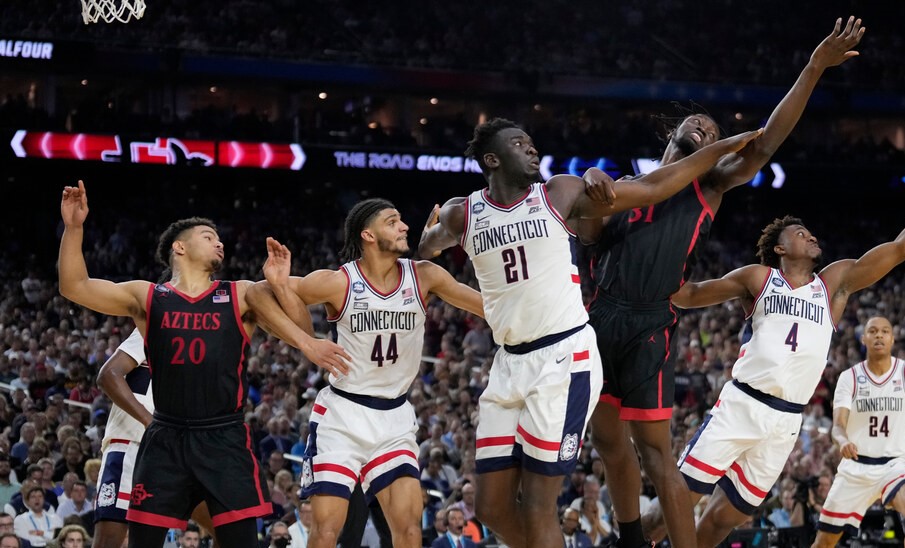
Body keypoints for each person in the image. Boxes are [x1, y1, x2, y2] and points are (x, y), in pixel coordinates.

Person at [579, 16, 865, 548]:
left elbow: (765, 143)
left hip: (650, 323)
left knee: (663, 460)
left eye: (715, 131)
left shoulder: (709, 186)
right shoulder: (624, 186)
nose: (709, 132)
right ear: (673, 132)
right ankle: (627, 538)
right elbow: (589, 236)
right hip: (602, 314)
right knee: (608, 442)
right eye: (699, 125)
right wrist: (593, 187)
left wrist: (813, 67)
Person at [417, 118, 762, 548]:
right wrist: (422, 241)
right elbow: (430, 243)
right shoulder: (461, 212)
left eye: (530, 140)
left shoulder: (558, 193)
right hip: (509, 362)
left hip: (564, 354)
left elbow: (653, 190)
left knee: (546, 503)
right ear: (492, 159)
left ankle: (628, 537)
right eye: (520, 143)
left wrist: (722, 145)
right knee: (491, 509)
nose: (532, 148)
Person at [57, 181, 347, 548]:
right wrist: (74, 228)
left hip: (223, 437)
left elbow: (301, 331)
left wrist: (284, 291)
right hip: (165, 437)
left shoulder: (240, 292)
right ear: (180, 247)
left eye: (219, 239)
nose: (219, 242)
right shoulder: (148, 296)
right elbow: (74, 286)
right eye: (209, 236)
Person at [642, 215, 905, 546]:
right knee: (674, 504)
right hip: (742, 404)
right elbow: (690, 295)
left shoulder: (833, 283)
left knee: (728, 516)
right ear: (781, 248)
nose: (811, 237)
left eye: (811, 233)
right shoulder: (759, 277)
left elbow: (897, 249)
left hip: (786, 421)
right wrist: (658, 256)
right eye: (801, 233)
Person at [246, 198, 484, 548]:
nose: (404, 226)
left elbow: (487, 306)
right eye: (393, 221)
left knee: (409, 530)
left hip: (395, 417)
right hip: (343, 415)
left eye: (402, 220)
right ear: (368, 235)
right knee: (328, 531)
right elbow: (256, 292)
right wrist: (305, 340)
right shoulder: (339, 282)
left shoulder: (424, 276)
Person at [812, 316, 905, 547]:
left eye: (884, 331)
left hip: (895, 464)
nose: (879, 335)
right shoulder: (850, 377)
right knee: (824, 542)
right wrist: (842, 441)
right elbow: (838, 426)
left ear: (892, 339)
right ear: (864, 338)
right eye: (872, 331)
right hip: (855, 466)